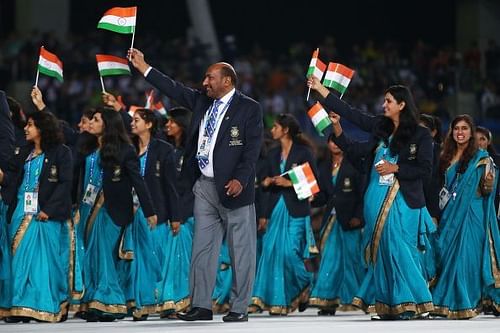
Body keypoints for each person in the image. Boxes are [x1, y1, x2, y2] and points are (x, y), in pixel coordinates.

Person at [129, 48, 263, 322]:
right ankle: (201, 305)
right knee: (201, 247)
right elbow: (173, 88)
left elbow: (252, 150)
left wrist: (241, 178)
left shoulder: (249, 108)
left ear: (227, 80)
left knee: (241, 250)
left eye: (210, 78)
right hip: (204, 185)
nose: (205, 83)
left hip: (234, 188)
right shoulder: (202, 101)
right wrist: (145, 68)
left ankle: (239, 307)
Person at [308, 76, 436, 320]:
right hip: (375, 199)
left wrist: (395, 169)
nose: (383, 105)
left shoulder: (420, 135)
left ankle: (415, 302)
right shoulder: (380, 128)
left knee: (400, 249)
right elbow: (350, 113)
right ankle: (388, 305)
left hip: (405, 201)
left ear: (402, 105)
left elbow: (425, 170)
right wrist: (320, 90)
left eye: (388, 101)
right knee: (382, 250)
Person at [75, 108, 157, 322]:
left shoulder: (124, 151)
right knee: (91, 256)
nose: (90, 123)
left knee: (104, 255)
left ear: (108, 124)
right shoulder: (88, 149)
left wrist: (150, 211)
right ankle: (93, 301)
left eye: (96, 120)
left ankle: (110, 303)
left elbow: (138, 181)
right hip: (87, 210)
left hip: (112, 210)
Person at [0, 111, 72, 323]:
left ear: (41, 128)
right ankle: (18, 304)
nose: (26, 129)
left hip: (44, 214)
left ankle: (39, 305)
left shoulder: (61, 153)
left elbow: (65, 184)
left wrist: (48, 209)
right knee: (18, 259)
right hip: (20, 211)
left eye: (30, 125)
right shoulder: (23, 152)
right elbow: (9, 177)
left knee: (42, 262)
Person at [430, 115, 500, 319]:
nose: (460, 132)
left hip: (472, 214)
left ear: (471, 133)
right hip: (448, 214)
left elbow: (488, 190)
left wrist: (488, 182)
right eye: (456, 129)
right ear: (451, 132)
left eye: (464, 129)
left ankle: (465, 302)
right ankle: (446, 301)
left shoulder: (481, 158)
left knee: (466, 258)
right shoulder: (444, 156)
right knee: (448, 257)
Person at [250, 113, 318, 315]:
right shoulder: (272, 154)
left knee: (289, 252)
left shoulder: (303, 153)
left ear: (285, 130)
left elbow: (313, 186)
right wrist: (267, 182)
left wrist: (288, 183)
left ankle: (307, 281)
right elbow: (263, 182)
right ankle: (272, 301)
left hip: (296, 208)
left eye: (275, 127)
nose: (272, 130)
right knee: (271, 251)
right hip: (275, 207)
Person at [121, 108, 180, 320]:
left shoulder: (164, 150)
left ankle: (166, 303)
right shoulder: (129, 149)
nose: (132, 123)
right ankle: (142, 304)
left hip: (158, 214)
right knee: (139, 261)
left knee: (158, 259)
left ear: (149, 124)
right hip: (134, 214)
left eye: (136, 120)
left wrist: (175, 217)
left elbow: (171, 186)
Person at [309, 134, 366, 315]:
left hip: (350, 219)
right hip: (330, 220)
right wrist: (312, 198)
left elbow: (362, 192)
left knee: (352, 260)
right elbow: (324, 196)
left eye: (338, 141)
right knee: (330, 259)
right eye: (332, 141)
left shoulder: (355, 164)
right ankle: (328, 300)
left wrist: (359, 216)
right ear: (327, 144)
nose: (335, 144)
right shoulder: (323, 166)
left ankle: (353, 300)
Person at [157, 106, 195, 318]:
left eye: (172, 122)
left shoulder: (191, 153)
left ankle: (182, 301)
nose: (167, 125)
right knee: (171, 259)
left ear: (182, 125)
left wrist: (179, 215)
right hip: (171, 213)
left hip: (186, 214)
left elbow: (190, 187)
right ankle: (170, 301)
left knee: (182, 259)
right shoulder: (169, 150)